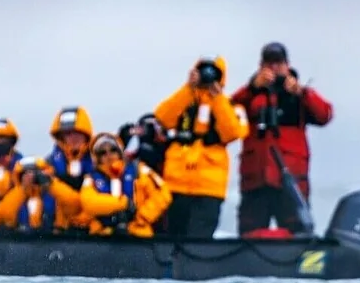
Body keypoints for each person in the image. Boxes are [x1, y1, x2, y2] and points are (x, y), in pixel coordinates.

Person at [231, 41, 334, 235]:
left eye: (278, 63)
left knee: (298, 235)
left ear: (287, 65)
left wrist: (302, 93)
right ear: (260, 66)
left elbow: (324, 115)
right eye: (269, 64)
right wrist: (252, 87)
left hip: (291, 180)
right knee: (248, 235)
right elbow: (227, 113)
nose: (274, 68)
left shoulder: (299, 95)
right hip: (256, 180)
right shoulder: (250, 95)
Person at [153, 56, 248, 238]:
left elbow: (234, 132)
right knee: (173, 240)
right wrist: (188, 88)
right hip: (176, 185)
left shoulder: (230, 105)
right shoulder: (185, 99)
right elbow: (163, 118)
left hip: (209, 188)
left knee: (200, 243)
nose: (207, 76)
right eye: (204, 71)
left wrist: (217, 98)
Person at [79, 133, 172, 238]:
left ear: (120, 151)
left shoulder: (139, 170)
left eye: (113, 150)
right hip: (103, 234)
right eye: (102, 152)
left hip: (138, 232)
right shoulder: (91, 179)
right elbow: (88, 202)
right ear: (97, 157)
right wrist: (123, 203)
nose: (108, 155)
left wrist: (143, 216)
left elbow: (163, 193)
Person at [35, 106, 96, 233]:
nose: (73, 137)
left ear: (86, 135)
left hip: (90, 228)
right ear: (61, 137)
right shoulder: (48, 164)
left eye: (77, 133)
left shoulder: (98, 160)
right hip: (55, 228)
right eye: (68, 134)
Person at [0, 157, 59, 235]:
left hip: (49, 240)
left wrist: (49, 183)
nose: (31, 177)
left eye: (35, 173)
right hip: (21, 239)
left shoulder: (54, 194)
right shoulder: (15, 194)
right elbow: (5, 215)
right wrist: (22, 189)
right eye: (25, 173)